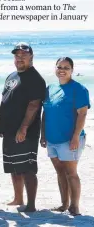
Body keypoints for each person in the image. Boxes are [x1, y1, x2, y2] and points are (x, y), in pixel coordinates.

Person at [0, 42, 46, 212]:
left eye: (24, 55)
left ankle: (31, 205)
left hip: (25, 132)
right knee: (14, 166)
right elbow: (5, 100)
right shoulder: (12, 76)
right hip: (10, 129)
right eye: (17, 55)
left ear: (31, 56)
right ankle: (18, 198)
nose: (20, 58)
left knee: (27, 168)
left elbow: (34, 105)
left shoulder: (35, 78)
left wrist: (23, 128)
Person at [40, 57, 90, 216]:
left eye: (66, 67)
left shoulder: (79, 89)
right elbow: (45, 113)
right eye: (59, 67)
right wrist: (43, 135)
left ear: (72, 70)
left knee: (71, 173)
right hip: (52, 138)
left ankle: (74, 207)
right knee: (60, 172)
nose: (62, 70)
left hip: (69, 139)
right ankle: (64, 204)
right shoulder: (50, 88)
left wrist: (75, 136)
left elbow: (82, 114)